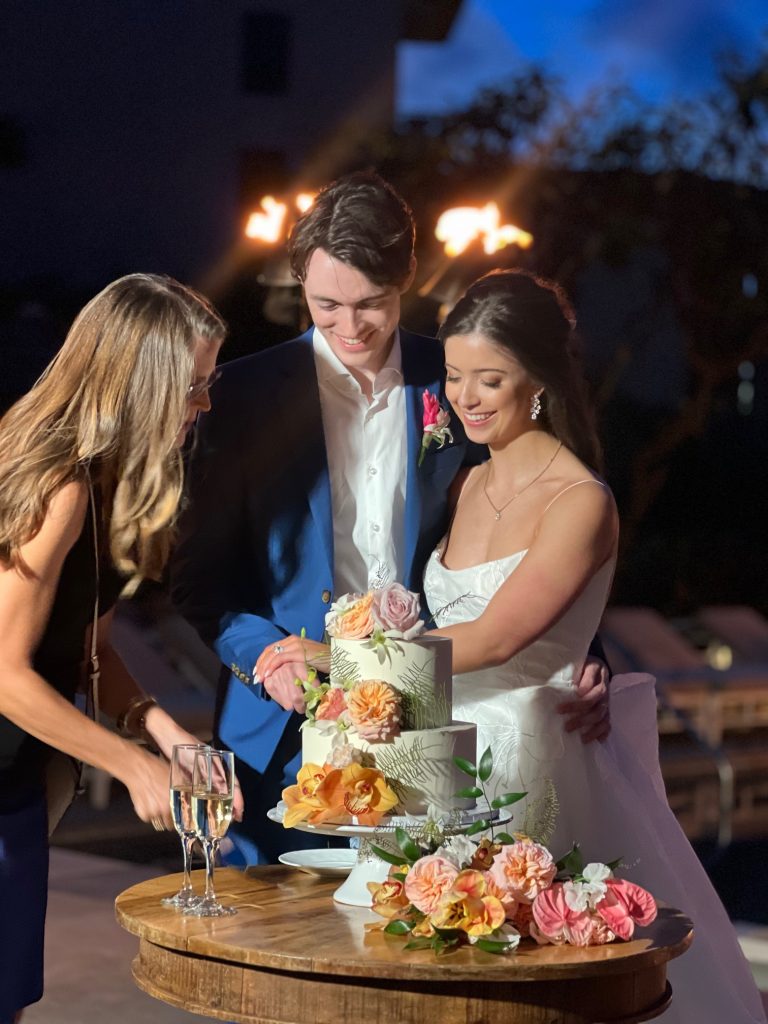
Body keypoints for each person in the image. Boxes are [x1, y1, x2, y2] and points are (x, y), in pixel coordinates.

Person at [172, 172, 609, 866]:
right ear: (299, 287)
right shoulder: (240, 399)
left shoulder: (461, 379)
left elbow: (534, 520)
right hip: (281, 740)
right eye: (326, 305)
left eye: (371, 304)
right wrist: (263, 657)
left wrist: (580, 650)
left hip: (436, 732)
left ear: (407, 277)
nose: (350, 327)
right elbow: (200, 580)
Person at [416, 269, 766, 1024]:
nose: (465, 398)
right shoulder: (464, 486)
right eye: (453, 376)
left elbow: (502, 634)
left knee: (526, 980)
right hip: (436, 760)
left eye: (489, 379)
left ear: (536, 380)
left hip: (527, 764)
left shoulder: (580, 500)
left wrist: (355, 658)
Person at [0, 273, 241, 1024]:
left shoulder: (104, 483)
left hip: (16, 785)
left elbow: (91, 649)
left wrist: (162, 730)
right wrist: (130, 765)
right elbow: (4, 676)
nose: (202, 404)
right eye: (191, 386)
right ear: (138, 383)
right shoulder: (59, 485)